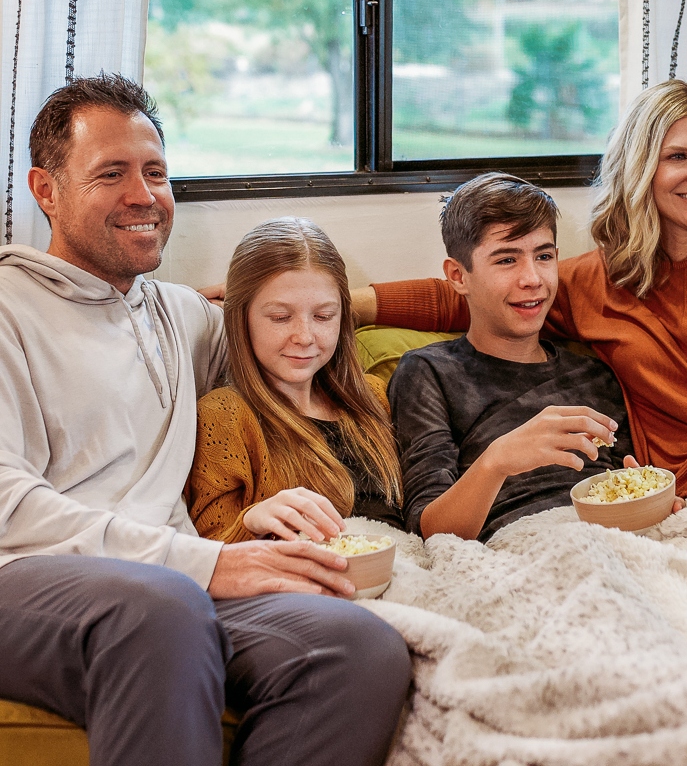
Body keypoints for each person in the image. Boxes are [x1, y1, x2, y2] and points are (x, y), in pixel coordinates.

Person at [0, 74, 410, 766]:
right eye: (112, 174)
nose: (144, 195)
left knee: (355, 646)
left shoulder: (181, 317)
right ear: (46, 191)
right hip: (31, 578)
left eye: (155, 172)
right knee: (160, 610)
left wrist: (473, 300)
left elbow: (288, 320)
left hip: (171, 589)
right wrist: (206, 560)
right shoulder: (10, 308)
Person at [356, 81, 687, 510]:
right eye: (678, 156)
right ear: (640, 169)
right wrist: (340, 306)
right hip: (678, 488)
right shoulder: (597, 279)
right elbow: (472, 295)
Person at [387, 172, 638, 541]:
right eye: (507, 260)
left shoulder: (594, 374)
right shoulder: (428, 373)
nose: (532, 278)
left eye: (544, 256)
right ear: (458, 276)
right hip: (513, 549)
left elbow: (625, 492)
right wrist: (497, 460)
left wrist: (646, 500)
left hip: (610, 542)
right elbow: (431, 529)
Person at [186, 217, 404, 543]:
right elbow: (209, 550)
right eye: (280, 317)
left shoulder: (375, 396)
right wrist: (253, 521)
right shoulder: (223, 415)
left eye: (323, 316)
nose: (304, 336)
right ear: (240, 318)